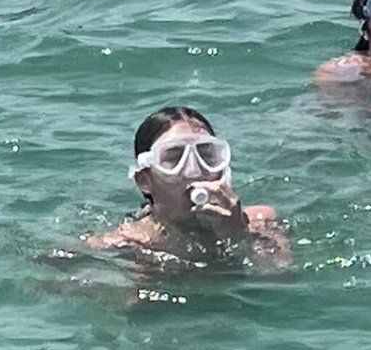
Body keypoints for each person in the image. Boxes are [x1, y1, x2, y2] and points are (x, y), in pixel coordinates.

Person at [85, 106, 291, 266]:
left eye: (206, 155)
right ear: (145, 181)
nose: (194, 171)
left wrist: (238, 236)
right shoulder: (124, 245)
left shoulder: (260, 221)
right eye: (174, 158)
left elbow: (280, 278)